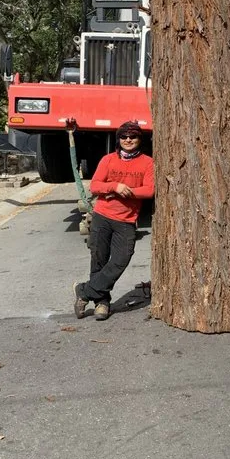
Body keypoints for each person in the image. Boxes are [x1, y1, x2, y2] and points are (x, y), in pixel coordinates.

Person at [73, 121, 154, 321]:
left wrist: (127, 192)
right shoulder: (108, 160)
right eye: (124, 137)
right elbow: (96, 186)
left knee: (121, 259)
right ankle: (102, 303)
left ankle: (83, 291)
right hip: (103, 216)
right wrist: (115, 187)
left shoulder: (147, 162)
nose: (128, 140)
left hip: (126, 221)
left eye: (133, 136)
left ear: (139, 140)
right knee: (99, 259)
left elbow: (149, 190)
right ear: (119, 140)